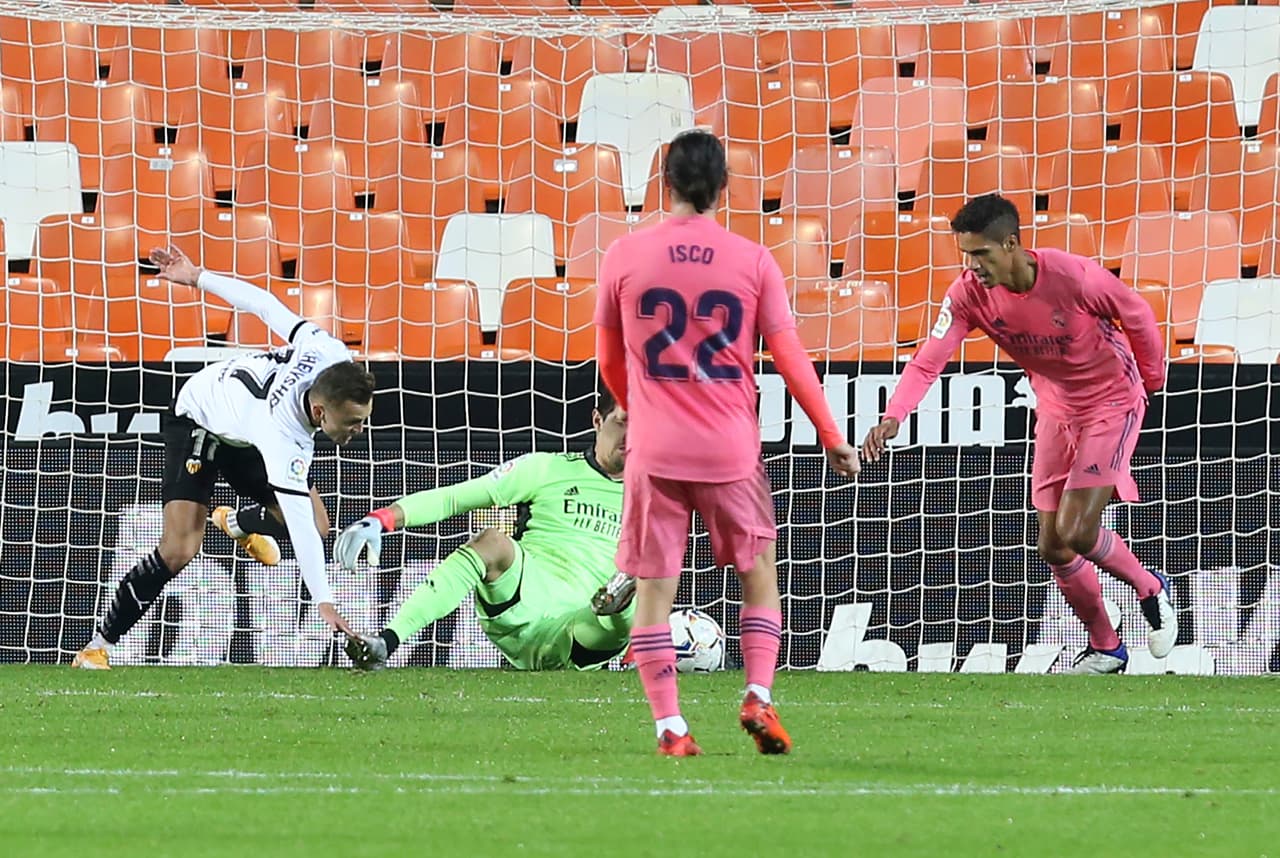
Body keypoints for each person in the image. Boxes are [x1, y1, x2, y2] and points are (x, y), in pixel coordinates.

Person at [594, 129, 860, 757]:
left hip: (655, 451)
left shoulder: (624, 256)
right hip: (730, 450)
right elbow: (790, 355)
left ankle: (670, 728)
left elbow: (608, 362)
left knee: (656, 590)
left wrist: (644, 411)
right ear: (723, 188)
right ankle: (758, 694)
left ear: (664, 184)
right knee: (758, 573)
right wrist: (831, 434)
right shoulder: (753, 259)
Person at [860, 193, 1178, 674]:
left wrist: (1151, 382)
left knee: (1077, 530)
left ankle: (1150, 587)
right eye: (966, 254)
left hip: (1111, 399)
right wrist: (893, 416)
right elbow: (931, 357)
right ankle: (1107, 647)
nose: (973, 265)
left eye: (981, 254)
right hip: (1054, 405)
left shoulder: (1073, 276)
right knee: (1052, 544)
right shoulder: (968, 293)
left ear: (1010, 244)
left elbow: (1136, 312)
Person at [72, 246, 372, 669]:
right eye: (354, 422)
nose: (359, 430)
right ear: (321, 413)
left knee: (322, 523)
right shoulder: (283, 437)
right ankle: (98, 646)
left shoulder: (330, 353)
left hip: (244, 435)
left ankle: (232, 522)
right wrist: (324, 601)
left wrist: (199, 277)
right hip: (200, 416)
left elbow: (265, 304)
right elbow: (299, 530)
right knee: (179, 549)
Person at [337, 390, 634, 672]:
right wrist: (382, 518)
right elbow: (454, 497)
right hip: (525, 600)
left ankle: (641, 640)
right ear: (597, 420)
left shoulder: (652, 501)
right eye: (622, 421)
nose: (630, 434)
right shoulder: (546, 468)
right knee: (492, 541)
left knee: (632, 589)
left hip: (587, 628)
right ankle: (385, 643)